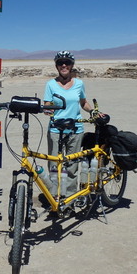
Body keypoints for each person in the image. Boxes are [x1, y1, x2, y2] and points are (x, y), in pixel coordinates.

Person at [43, 50, 97, 198]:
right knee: (54, 165)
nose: (64, 65)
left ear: (72, 65)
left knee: (72, 166)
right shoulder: (51, 85)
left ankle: (71, 198)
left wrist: (92, 112)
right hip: (56, 130)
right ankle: (55, 197)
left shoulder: (79, 84)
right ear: (56, 66)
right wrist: (48, 110)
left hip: (76, 129)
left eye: (67, 62)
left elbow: (83, 102)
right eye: (60, 63)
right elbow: (47, 104)